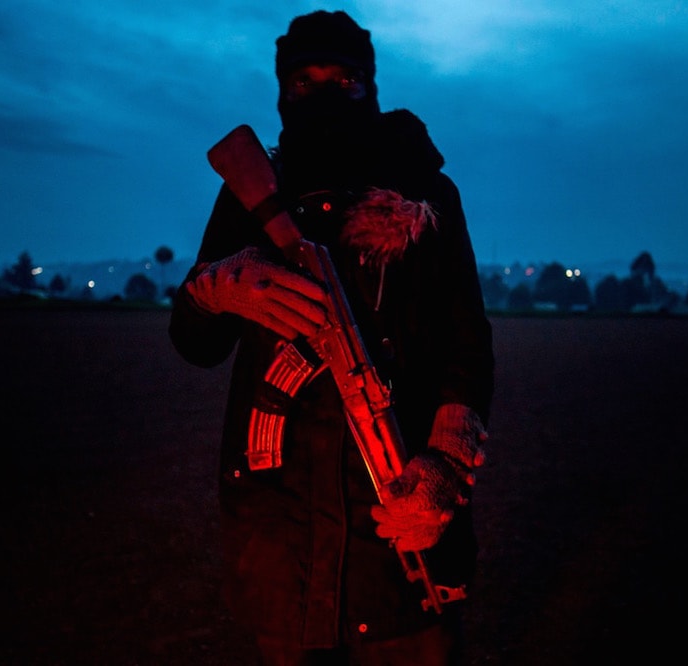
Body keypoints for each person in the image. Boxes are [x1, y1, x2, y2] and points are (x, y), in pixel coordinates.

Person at [169, 10, 494, 665]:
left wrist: (444, 467)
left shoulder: (425, 195)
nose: (325, 95)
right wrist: (217, 287)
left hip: (397, 527)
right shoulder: (253, 194)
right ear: (282, 93)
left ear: (370, 86)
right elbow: (197, 343)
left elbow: (468, 344)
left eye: (344, 80)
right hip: (281, 548)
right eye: (305, 82)